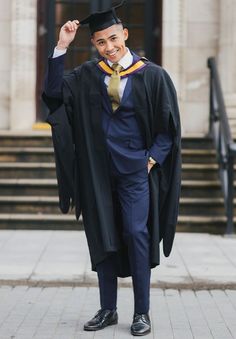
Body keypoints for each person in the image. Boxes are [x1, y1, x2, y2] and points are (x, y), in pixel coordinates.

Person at [42, 1, 181, 336]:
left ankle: (142, 313)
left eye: (113, 38)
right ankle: (107, 309)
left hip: (135, 172)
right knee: (103, 236)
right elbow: (53, 93)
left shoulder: (153, 76)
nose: (109, 47)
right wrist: (61, 46)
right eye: (101, 42)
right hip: (98, 172)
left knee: (136, 234)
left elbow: (168, 129)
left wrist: (151, 159)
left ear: (125, 35)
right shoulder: (88, 75)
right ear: (94, 45)